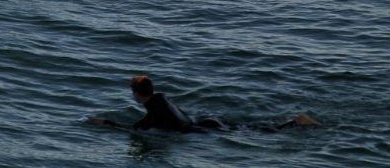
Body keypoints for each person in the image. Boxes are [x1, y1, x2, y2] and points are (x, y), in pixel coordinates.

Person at [87, 75, 319, 133]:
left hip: (201, 128)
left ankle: (295, 122)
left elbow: (135, 128)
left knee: (254, 133)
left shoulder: (154, 110)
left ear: (137, 94)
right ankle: (293, 122)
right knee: (249, 127)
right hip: (204, 121)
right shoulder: (162, 98)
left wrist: (105, 122)